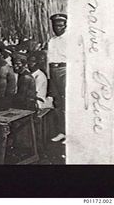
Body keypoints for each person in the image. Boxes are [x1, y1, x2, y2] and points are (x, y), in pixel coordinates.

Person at [47, 13, 67, 142]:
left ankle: (71, 133)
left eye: (60, 25)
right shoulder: (52, 40)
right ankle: (62, 131)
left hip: (65, 70)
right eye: (55, 25)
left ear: (65, 25)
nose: (57, 27)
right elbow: (48, 60)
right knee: (57, 102)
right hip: (53, 71)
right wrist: (49, 77)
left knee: (68, 102)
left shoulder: (71, 39)